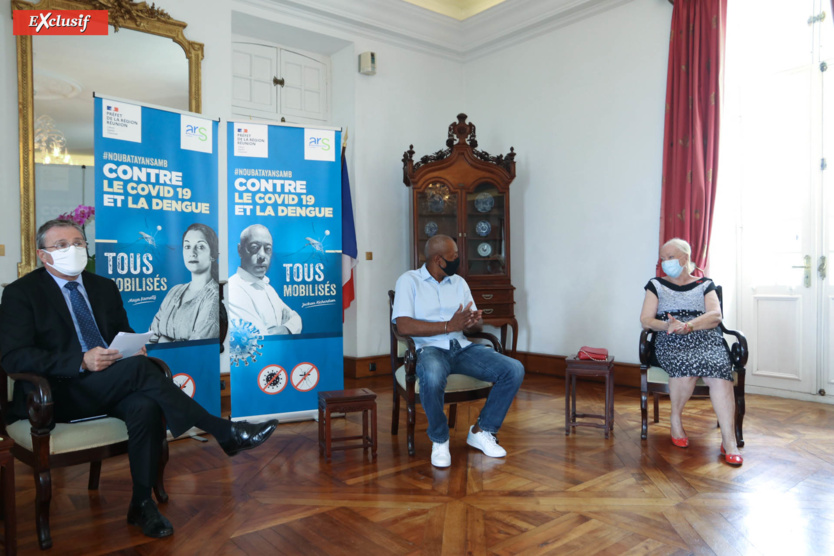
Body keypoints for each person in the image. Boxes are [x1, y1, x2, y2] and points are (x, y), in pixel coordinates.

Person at [0, 219, 280, 539]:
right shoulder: (22, 293)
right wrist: (79, 360)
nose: (73, 250)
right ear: (43, 255)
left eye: (78, 243)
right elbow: (14, 357)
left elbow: (122, 333)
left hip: (110, 382)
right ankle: (223, 430)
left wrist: (134, 346)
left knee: (144, 404)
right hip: (56, 394)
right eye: (62, 245)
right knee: (140, 373)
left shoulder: (103, 287)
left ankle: (141, 503)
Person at [391, 234, 524, 468]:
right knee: (432, 376)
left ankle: (482, 431)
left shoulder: (459, 283)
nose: (458, 260)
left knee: (513, 369)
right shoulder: (409, 281)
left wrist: (473, 321)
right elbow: (403, 325)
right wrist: (447, 326)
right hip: (428, 349)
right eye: (453, 257)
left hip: (461, 347)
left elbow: (474, 326)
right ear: (438, 259)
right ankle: (440, 440)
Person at [639, 238, 743, 466]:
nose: (665, 262)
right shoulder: (655, 285)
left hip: (705, 337)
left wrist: (690, 326)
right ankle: (675, 419)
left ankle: (730, 441)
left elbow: (715, 316)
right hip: (671, 339)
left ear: (685, 258)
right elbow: (646, 320)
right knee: (684, 366)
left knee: (719, 370)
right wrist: (668, 326)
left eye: (670, 257)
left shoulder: (706, 284)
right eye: (662, 258)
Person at [149, 223, 220, 343]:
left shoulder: (214, 296)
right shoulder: (174, 291)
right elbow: (151, 337)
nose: (192, 252)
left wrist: (164, 339)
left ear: (212, 254)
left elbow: (196, 347)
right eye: (187, 246)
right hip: (156, 361)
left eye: (200, 247)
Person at [227, 224, 302, 336]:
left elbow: (297, 320)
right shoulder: (233, 289)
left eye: (267, 249)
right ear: (240, 250)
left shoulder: (267, 288)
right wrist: (285, 329)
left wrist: (284, 329)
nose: (262, 255)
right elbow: (259, 340)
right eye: (254, 247)